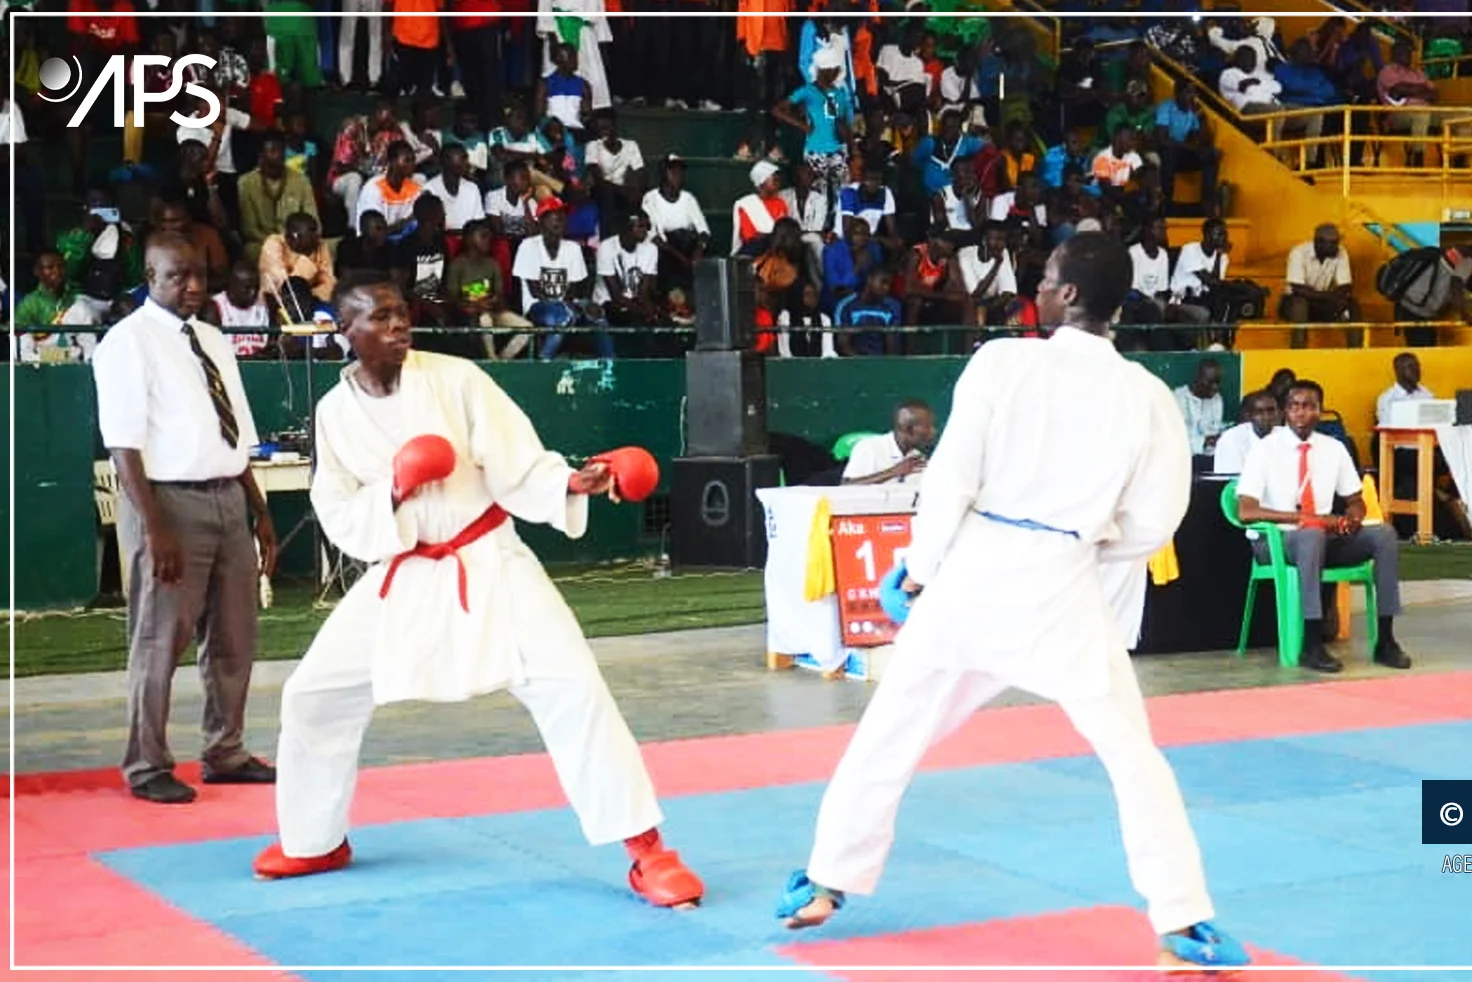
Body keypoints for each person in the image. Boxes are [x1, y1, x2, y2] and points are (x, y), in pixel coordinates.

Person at [774, 232, 1250, 971]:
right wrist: (1089, 543)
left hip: (973, 572)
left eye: (1049, 276)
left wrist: (920, 570)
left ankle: (828, 881)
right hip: (1063, 579)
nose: (1039, 284)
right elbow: (1157, 520)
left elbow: (953, 477)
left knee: (891, 730)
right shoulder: (1148, 395)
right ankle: (1183, 921)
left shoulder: (1004, 360)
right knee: (1131, 754)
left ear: (1067, 296)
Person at [249, 272, 705, 912]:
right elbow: (342, 516)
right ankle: (315, 838)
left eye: (401, 311)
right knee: (312, 695)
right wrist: (396, 489)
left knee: (574, 688)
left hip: (489, 558)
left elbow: (516, 461)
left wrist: (573, 483)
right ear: (345, 332)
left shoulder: (456, 379)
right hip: (403, 574)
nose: (398, 324)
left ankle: (647, 850)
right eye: (379, 317)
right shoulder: (332, 413)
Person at [91, 233, 279, 804]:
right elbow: (123, 447)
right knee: (159, 639)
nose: (192, 286)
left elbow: (238, 437)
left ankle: (225, 751)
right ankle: (146, 764)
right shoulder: (127, 342)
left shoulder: (215, 341)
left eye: (198, 274)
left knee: (233, 637)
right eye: (177, 276)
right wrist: (155, 527)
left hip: (227, 495)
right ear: (150, 276)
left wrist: (260, 511)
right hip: (167, 500)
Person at [1235, 380, 1410, 674]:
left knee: (1384, 535)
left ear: (1320, 411)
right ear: (1284, 413)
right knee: (1312, 534)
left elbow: (1355, 500)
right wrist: (1306, 521)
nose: (1301, 413)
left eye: (1309, 406)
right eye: (1294, 407)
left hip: (1323, 539)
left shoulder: (1334, 448)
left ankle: (1386, 639)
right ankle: (1311, 642)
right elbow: (1246, 511)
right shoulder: (1265, 450)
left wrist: (1353, 517)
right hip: (1276, 541)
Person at [840, 400, 936, 486]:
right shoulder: (869, 447)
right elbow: (846, 485)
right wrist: (893, 472)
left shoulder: (917, 456)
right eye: (928, 426)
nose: (933, 431)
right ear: (909, 430)